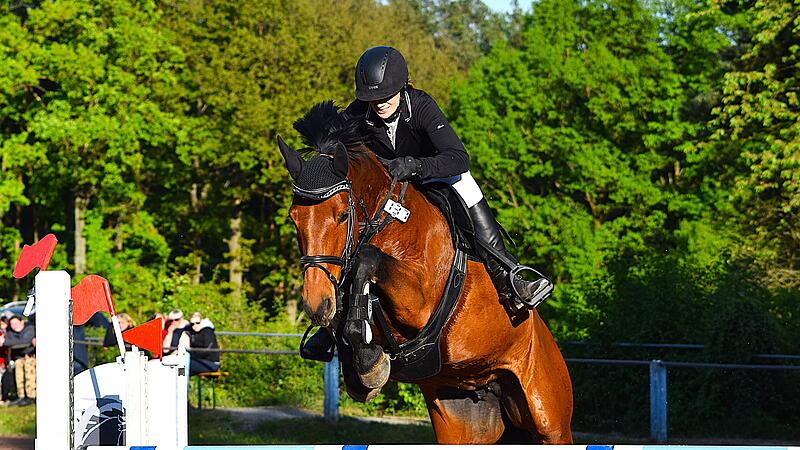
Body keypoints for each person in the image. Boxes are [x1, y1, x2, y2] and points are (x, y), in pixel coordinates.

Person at [302, 46, 553, 360]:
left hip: (432, 175)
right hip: (389, 191)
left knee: (467, 184)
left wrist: (415, 165)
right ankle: (331, 329)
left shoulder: (421, 106)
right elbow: (333, 146)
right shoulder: (360, 112)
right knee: (346, 228)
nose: (378, 104)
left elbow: (459, 158)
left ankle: (508, 277)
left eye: (386, 97)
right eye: (372, 99)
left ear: (402, 87)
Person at [2, 314, 36, 406]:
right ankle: (21, 396)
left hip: (32, 356)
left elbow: (25, 341)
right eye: (12, 324)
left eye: (16, 323)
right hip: (20, 358)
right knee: (18, 364)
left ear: (22, 322)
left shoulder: (30, 329)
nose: (14, 326)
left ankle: (31, 396)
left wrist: (6, 342)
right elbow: (12, 343)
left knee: (29, 365)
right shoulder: (10, 332)